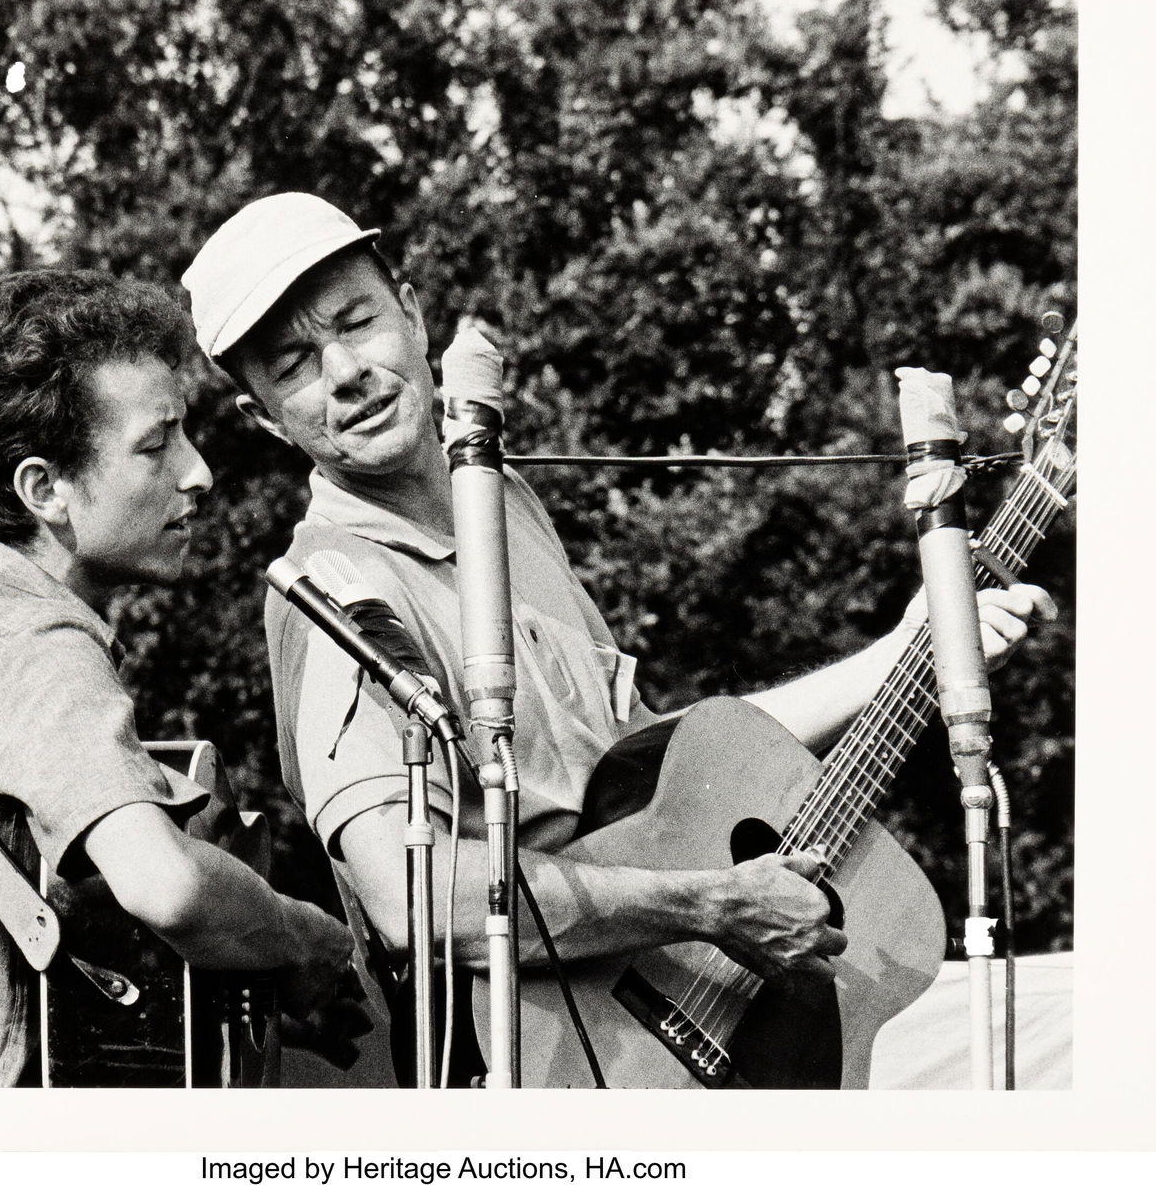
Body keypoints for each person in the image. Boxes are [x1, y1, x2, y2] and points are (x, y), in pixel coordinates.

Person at [180, 194, 1057, 1082]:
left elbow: (677, 773)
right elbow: (412, 897)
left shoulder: (502, 500)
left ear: (412, 312)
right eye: (293, 364)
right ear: (264, 420)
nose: (345, 373)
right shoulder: (333, 587)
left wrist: (906, 652)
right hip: (529, 1073)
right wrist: (711, 906)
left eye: (357, 322)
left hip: (667, 1039)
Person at [0, 270, 353, 1087]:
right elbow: (167, 885)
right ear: (45, 490)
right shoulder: (28, 643)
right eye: (156, 444)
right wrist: (306, 938)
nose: (198, 473)